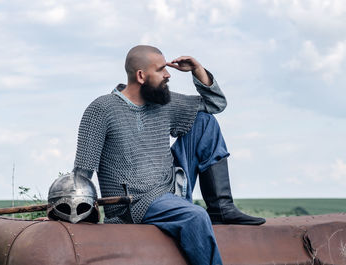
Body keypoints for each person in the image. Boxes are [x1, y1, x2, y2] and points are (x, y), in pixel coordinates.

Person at [73, 45, 265, 265]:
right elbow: (82, 172)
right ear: (141, 76)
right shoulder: (102, 109)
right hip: (134, 202)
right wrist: (66, 213)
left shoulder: (163, 103)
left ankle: (221, 209)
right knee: (195, 216)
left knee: (204, 122)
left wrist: (198, 70)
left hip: (170, 188)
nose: (168, 74)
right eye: (161, 69)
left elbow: (215, 104)